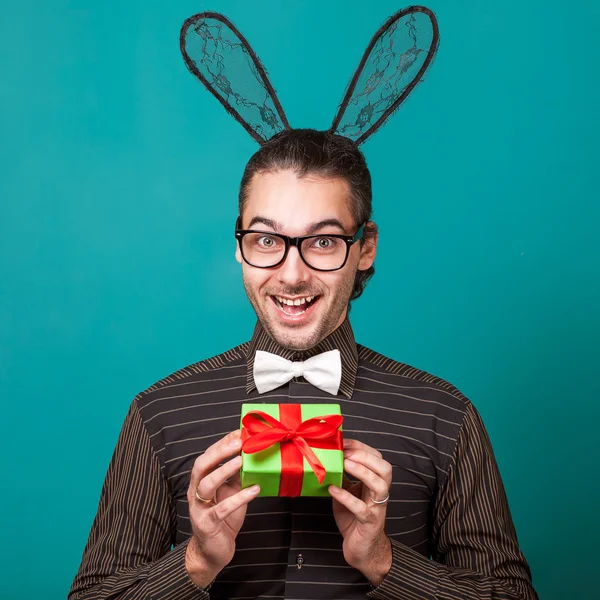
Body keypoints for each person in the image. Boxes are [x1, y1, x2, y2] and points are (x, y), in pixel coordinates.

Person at [70, 9, 539, 600]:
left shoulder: (446, 418)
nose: (291, 275)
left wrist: (388, 563)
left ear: (364, 248)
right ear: (239, 248)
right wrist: (191, 564)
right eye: (266, 240)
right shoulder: (159, 414)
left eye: (323, 241)